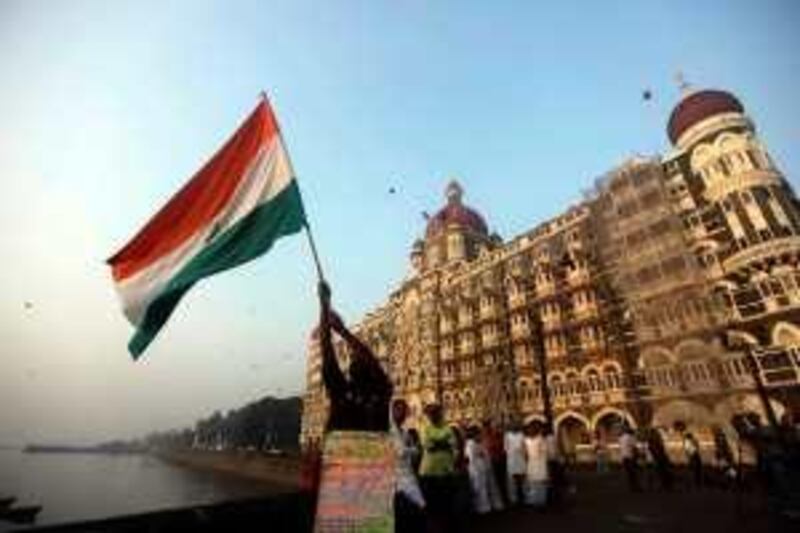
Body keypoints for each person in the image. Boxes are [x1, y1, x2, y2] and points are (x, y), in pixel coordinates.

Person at [313, 281, 396, 532]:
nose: (356, 360)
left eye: (354, 361)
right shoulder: (380, 394)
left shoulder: (344, 392)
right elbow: (367, 357)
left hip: (349, 478)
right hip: (369, 477)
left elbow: (327, 351)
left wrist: (324, 306)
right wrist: (342, 329)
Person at [419, 404, 457, 532]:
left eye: (436, 413)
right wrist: (444, 443)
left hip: (446, 471)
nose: (433, 415)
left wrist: (437, 443)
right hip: (429, 472)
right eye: (431, 413)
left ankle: (447, 527)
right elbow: (429, 446)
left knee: (447, 503)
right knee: (433, 504)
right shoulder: (424, 428)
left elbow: (453, 446)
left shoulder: (448, 429)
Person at [391, 399, 426, 533]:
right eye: (398, 410)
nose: (402, 413)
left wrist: (413, 450)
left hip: (408, 475)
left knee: (415, 511)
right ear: (392, 411)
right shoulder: (391, 431)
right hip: (396, 478)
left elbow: (411, 451)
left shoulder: (404, 433)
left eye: (404, 410)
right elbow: (401, 452)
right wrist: (414, 450)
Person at [465, 426, 504, 514]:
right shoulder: (470, 444)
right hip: (476, 470)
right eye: (477, 434)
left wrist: (484, 457)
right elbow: (472, 458)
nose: (479, 436)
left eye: (479, 434)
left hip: (486, 467)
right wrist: (481, 456)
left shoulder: (482, 442)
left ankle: (493, 505)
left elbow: (485, 454)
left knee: (491, 486)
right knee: (479, 489)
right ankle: (483, 508)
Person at [482, 420, 508, 506]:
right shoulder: (484, 437)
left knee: (500, 480)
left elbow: (500, 447)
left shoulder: (496, 436)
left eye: (488, 427)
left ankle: (503, 499)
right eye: (485, 428)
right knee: (494, 482)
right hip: (490, 461)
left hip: (498, 460)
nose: (486, 429)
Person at [523, 422, 549, 507]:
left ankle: (541, 501)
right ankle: (532, 500)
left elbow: (545, 452)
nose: (530, 431)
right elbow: (525, 452)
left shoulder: (541, 439)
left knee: (540, 483)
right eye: (529, 429)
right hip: (531, 463)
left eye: (533, 429)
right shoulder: (526, 440)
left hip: (540, 463)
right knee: (532, 483)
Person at [504, 422, 527, 505]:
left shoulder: (522, 435)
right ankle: (513, 499)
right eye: (512, 425)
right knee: (512, 480)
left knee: (523, 478)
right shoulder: (507, 435)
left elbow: (524, 446)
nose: (514, 426)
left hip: (521, 458)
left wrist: (522, 452)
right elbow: (506, 448)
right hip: (511, 459)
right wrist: (512, 451)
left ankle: (525, 497)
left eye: (515, 425)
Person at [646, 427, 674, 491]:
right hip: (659, 458)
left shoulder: (653, 441)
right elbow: (658, 450)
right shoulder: (655, 440)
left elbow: (657, 450)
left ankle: (664, 485)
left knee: (661, 472)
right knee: (661, 472)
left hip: (658, 458)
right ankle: (665, 485)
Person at [619, 425, 641, 492]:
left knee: (629, 473)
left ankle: (631, 486)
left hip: (624, 456)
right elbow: (634, 447)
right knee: (634, 473)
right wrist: (638, 454)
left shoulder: (621, 438)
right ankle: (635, 487)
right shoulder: (631, 437)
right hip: (630, 456)